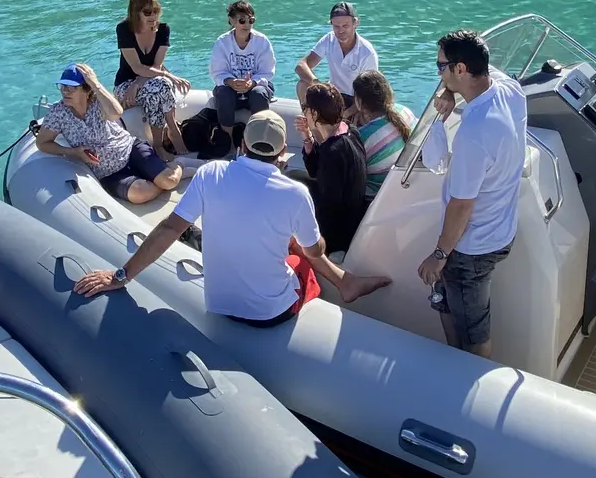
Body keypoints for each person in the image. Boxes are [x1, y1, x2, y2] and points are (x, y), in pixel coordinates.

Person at [72, 110, 388, 325]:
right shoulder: (294, 193)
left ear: (241, 145)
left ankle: (346, 283)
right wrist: (313, 239)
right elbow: (315, 250)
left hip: (220, 305)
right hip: (270, 314)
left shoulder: (211, 174)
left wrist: (121, 276)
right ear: (280, 156)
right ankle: (344, 283)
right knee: (303, 253)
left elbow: (169, 228)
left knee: (286, 239)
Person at [415, 30, 527, 359]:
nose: (438, 74)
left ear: (460, 69)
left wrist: (438, 255)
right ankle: (454, 363)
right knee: (451, 308)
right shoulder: (509, 90)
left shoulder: (474, 133)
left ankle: (472, 390)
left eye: (440, 68)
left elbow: (462, 206)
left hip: (471, 248)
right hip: (501, 228)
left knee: (475, 333)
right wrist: (450, 93)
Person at [35, 63, 183, 204]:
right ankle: (154, 178)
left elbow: (116, 113)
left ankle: (178, 167)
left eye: (71, 87)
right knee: (141, 194)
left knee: (169, 181)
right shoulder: (58, 112)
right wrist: (73, 152)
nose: (65, 91)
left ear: (87, 90)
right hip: (106, 171)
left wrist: (95, 84)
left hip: (129, 149)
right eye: (63, 86)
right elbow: (42, 143)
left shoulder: (97, 102)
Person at [114, 0, 190, 156]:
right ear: (136, 13)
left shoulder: (163, 30)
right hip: (125, 86)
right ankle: (163, 142)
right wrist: (168, 75)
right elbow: (136, 67)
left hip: (146, 82)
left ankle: (169, 130)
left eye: (155, 11)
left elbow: (157, 64)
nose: (153, 16)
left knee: (159, 87)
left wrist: (140, 81)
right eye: (147, 12)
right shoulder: (124, 29)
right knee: (162, 85)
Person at [296, 82, 369, 252]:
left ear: (314, 113)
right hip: (354, 212)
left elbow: (329, 205)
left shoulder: (332, 152)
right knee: (296, 177)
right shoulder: (350, 131)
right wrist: (308, 137)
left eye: (305, 107)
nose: (303, 111)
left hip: (339, 230)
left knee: (292, 183)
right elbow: (315, 170)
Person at [207, 0, 275, 145]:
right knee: (224, 93)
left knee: (259, 93)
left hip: (256, 87)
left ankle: (258, 140)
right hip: (231, 88)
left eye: (251, 20)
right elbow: (217, 72)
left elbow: (267, 72)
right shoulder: (222, 42)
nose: (247, 25)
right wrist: (230, 81)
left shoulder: (262, 41)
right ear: (232, 21)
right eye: (242, 20)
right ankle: (227, 141)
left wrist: (253, 82)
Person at [295, 2, 378, 107]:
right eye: (336, 26)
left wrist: (346, 115)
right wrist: (317, 84)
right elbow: (301, 66)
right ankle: (308, 119)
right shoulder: (329, 39)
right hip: (334, 96)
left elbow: (369, 94)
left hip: (356, 101)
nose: (341, 31)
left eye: (345, 26)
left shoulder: (367, 52)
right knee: (302, 84)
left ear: (355, 23)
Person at [349, 69, 414, 197]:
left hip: (374, 197)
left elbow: (349, 177)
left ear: (359, 102)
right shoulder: (405, 112)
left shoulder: (361, 137)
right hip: (402, 189)